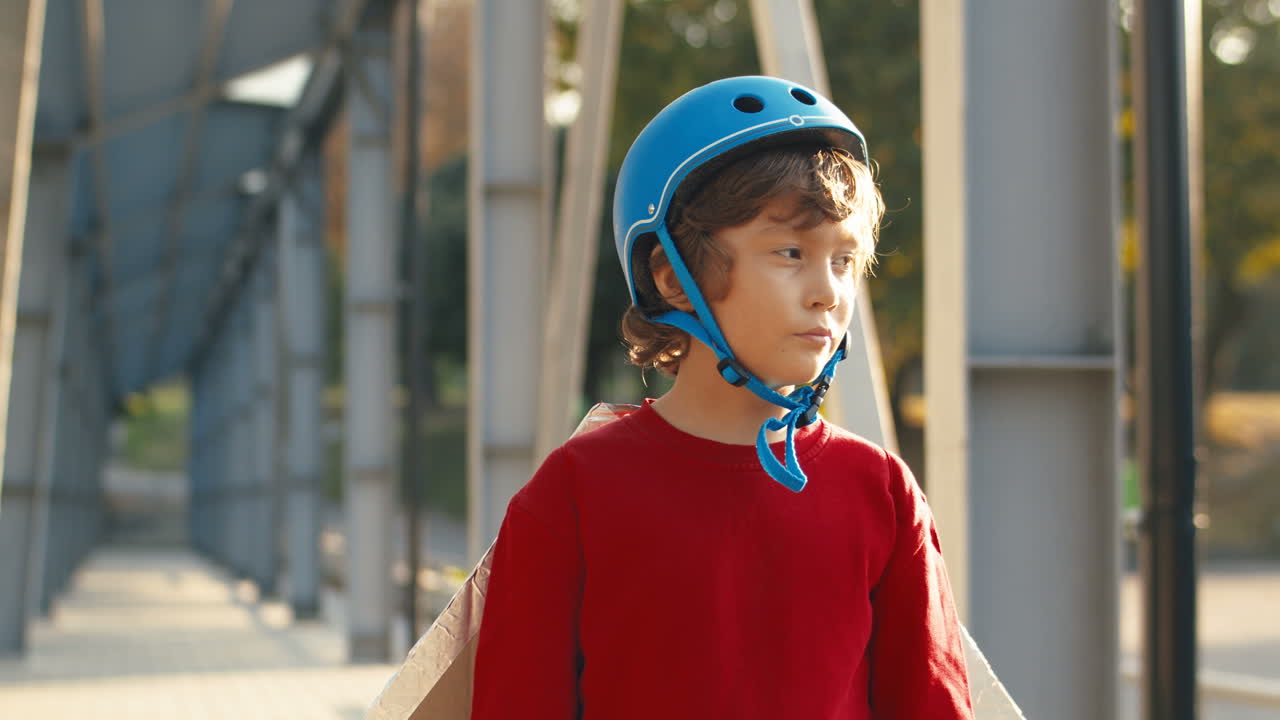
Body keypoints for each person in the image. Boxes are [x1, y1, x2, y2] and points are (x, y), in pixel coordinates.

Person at [470, 76, 973, 719]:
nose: (828, 293)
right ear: (671, 278)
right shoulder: (573, 494)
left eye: (845, 260)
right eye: (790, 252)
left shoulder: (882, 492)